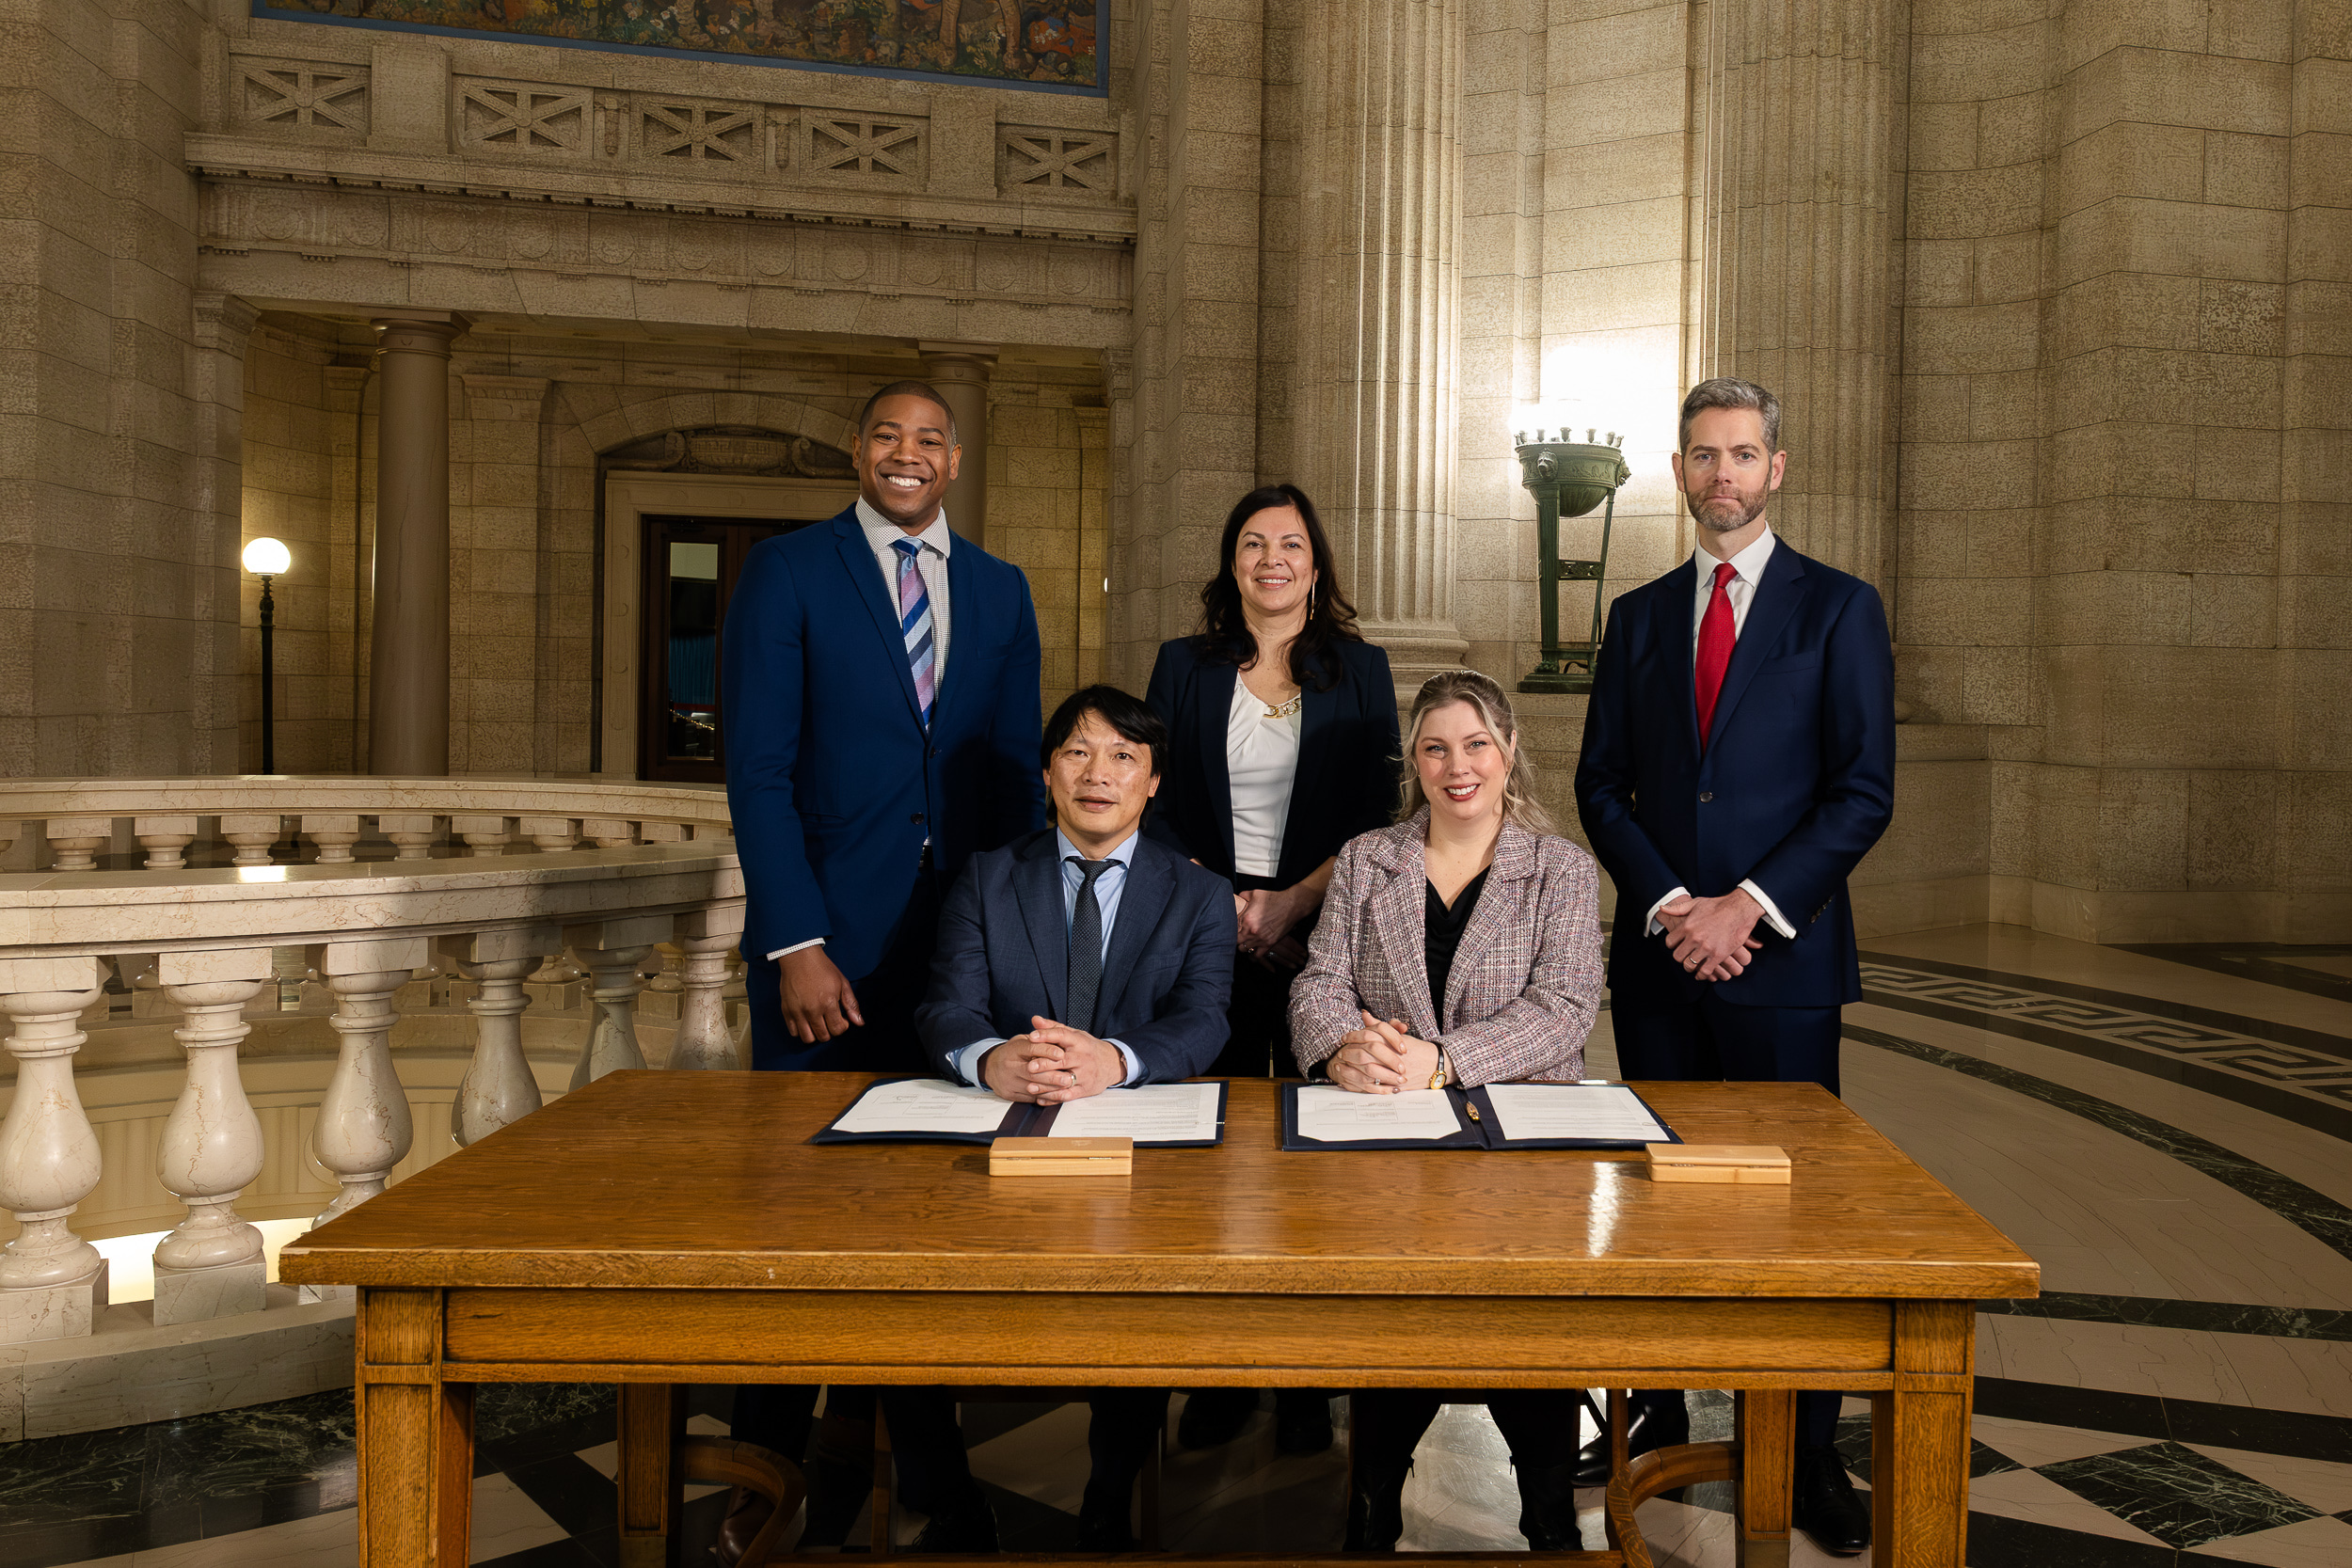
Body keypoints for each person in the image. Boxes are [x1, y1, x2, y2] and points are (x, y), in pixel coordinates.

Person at [718, 379, 1048, 1559]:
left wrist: (1018, 946)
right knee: (797, 1216)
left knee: (933, 1221)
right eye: (884, 436)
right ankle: (764, 1470)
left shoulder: (1003, 590)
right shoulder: (791, 572)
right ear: (859, 451)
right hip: (827, 955)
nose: (905, 455)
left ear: (954, 459)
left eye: (927, 440)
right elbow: (756, 770)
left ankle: (930, 1469)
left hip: (956, 958)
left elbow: (1018, 779)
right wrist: (794, 940)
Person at [1573, 376, 1896, 1558]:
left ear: (1777, 468)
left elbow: (1863, 790)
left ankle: (1807, 1455)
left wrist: (1744, 910)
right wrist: (1671, 906)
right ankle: (1650, 1408)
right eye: (1703, 454)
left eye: (1743, 453)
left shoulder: (1838, 609)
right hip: (1661, 963)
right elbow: (1600, 780)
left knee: (1795, 1223)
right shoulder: (1642, 612)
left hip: (1781, 967)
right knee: (1656, 1205)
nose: (1723, 473)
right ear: (1679, 470)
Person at [916, 685, 1237, 1551]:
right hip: (994, 1151)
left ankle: (1108, 1496)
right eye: (1079, 753)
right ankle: (950, 1496)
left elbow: (1205, 1017)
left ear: (1153, 782)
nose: (1100, 774)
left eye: (1124, 757)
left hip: (1130, 1154)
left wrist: (1114, 1061)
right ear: (1049, 772)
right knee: (901, 1299)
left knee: (1133, 1306)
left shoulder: (1198, 894)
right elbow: (945, 1005)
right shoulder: (989, 874)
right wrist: (989, 1058)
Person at [1291, 670, 1605, 1551]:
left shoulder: (1561, 869)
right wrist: (1336, 1047)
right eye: (1435, 746)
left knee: (1523, 1326)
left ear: (1508, 756)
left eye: (1475, 745)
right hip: (1389, 1143)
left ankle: (1546, 1511)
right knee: (1399, 1319)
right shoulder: (1367, 859)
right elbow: (1320, 979)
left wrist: (1443, 1061)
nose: (1455, 765)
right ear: (1414, 763)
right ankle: (1372, 1505)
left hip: (1519, 1151)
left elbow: (1565, 1007)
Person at [1141, 483, 1397, 1455]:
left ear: (1316, 564)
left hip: (1321, 928)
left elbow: (1378, 813)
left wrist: (1291, 903)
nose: (1272, 559)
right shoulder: (1184, 666)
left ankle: (1300, 1379)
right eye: (1253, 544)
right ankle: (1217, 1370)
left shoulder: (1360, 669)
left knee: (1310, 1154)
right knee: (1207, 1150)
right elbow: (1150, 799)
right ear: (1231, 563)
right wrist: (1226, 905)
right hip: (1200, 918)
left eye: (1290, 543)